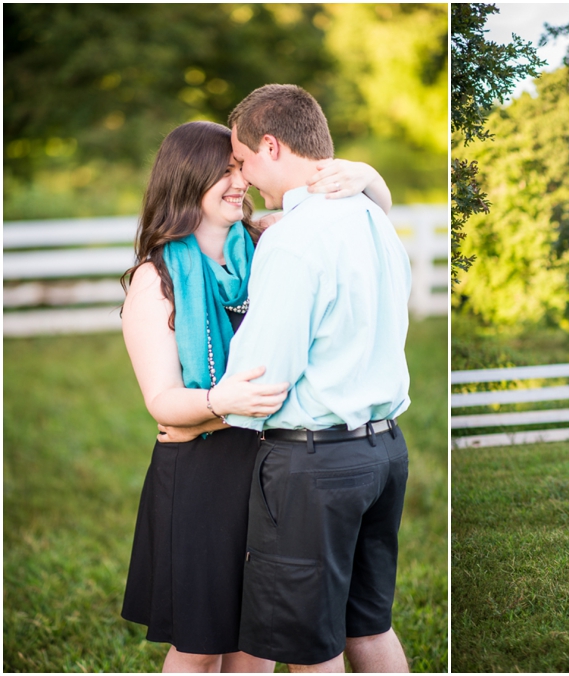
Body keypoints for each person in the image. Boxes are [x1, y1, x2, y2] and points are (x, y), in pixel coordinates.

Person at [120, 119, 392, 673]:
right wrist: (222, 401)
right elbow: (162, 402)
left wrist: (366, 173)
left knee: (256, 639)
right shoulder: (156, 279)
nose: (239, 181)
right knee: (199, 644)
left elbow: (371, 214)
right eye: (224, 171)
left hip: (271, 465)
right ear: (185, 178)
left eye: (240, 166)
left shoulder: (268, 239)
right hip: (202, 473)